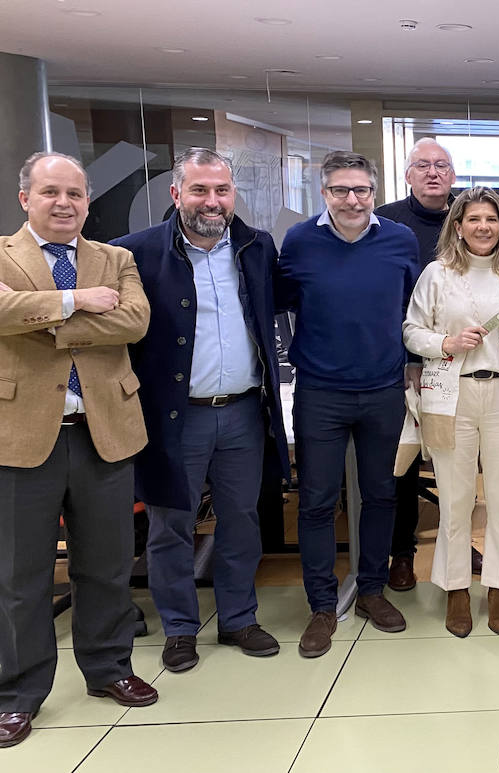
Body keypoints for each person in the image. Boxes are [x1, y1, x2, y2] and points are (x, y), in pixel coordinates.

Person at [0, 152, 156, 748]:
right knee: (21, 575)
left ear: (88, 201)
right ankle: (17, 694)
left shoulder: (115, 259)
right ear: (26, 199)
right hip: (22, 436)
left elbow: (134, 322)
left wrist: (39, 319)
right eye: (51, 192)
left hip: (103, 430)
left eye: (74, 193)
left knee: (107, 565)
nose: (64, 203)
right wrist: (77, 301)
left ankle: (109, 668)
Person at [114, 148, 288, 672]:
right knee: (172, 524)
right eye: (199, 190)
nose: (212, 201)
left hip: (243, 412)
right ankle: (180, 628)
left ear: (233, 195)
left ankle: (238, 618)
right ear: (176, 194)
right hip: (175, 416)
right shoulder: (135, 253)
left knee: (242, 519)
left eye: (221, 190)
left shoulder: (257, 247)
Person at [276, 151, 418, 657]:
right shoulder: (299, 241)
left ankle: (372, 590)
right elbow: (284, 299)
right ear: (324, 193)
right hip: (320, 392)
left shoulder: (400, 240)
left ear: (374, 193)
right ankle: (321, 605)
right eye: (340, 190)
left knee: (381, 494)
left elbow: (412, 308)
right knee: (316, 501)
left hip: (383, 389)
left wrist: (411, 362)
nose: (352, 200)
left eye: (361, 190)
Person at [402, 187, 499, 637]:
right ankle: (456, 587)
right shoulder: (437, 274)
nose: (484, 227)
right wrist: (446, 342)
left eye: (491, 219)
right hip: (451, 395)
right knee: (455, 498)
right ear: (458, 227)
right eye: (474, 219)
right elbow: (411, 331)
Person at [375, 138, 480, 592]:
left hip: (465, 361)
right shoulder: (386, 221)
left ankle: (459, 545)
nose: (433, 173)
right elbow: (385, 299)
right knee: (404, 458)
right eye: (423, 165)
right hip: (405, 362)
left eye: (441, 165)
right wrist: (411, 359)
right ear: (407, 175)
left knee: (456, 460)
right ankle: (402, 552)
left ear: (453, 175)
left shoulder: (470, 218)